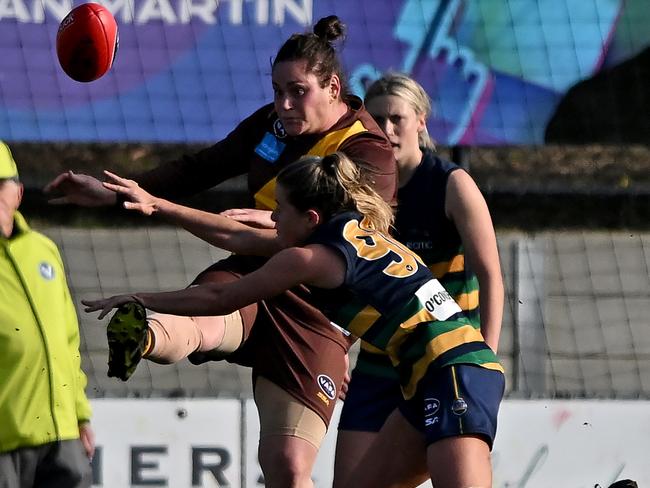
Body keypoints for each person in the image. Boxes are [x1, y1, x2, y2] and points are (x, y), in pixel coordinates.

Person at [44, 16, 396, 487]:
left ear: (333, 87)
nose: (284, 105)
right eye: (276, 91)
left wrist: (276, 231)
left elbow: (351, 248)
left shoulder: (370, 152)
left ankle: (150, 329)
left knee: (289, 468)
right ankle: (143, 336)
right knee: (202, 323)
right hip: (251, 274)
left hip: (318, 307)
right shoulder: (273, 125)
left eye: (297, 91)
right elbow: (200, 168)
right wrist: (114, 192)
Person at [83, 151, 505, 488]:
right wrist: (159, 205)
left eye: (279, 210)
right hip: (435, 375)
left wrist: (137, 296)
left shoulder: (312, 258)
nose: (271, 217)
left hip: (454, 374)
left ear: (311, 219)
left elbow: (221, 295)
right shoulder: (360, 229)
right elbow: (241, 237)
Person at [333, 73, 505, 487]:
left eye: (398, 118)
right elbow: (351, 283)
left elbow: (491, 276)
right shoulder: (357, 194)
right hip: (380, 364)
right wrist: (337, 346)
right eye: (377, 120)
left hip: (443, 361)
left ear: (421, 121)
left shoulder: (451, 184)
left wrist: (487, 359)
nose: (388, 129)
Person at [0, 141, 95, 488]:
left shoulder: (44, 251)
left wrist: (80, 415)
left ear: (19, 192)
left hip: (61, 438)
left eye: (0, 185)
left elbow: (66, 342)